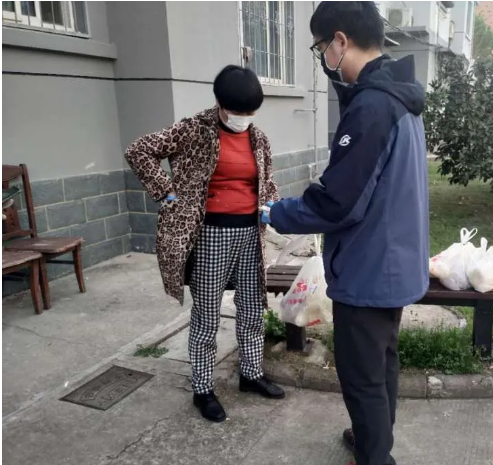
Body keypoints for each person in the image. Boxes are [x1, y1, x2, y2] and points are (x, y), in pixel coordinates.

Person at [263, 2, 429, 464]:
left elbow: (339, 202)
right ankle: (373, 440)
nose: (322, 57)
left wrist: (277, 212)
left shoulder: (372, 107)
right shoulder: (400, 97)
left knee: (362, 378)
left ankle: (376, 456)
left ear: (340, 40)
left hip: (369, 268)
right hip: (393, 262)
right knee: (381, 365)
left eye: (320, 47)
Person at [125, 65, 285, 423]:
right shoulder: (193, 130)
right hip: (211, 234)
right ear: (220, 103)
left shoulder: (258, 139)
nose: (244, 117)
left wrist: (273, 206)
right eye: (238, 110)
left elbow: (268, 182)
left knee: (251, 309)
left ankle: (251, 373)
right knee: (207, 314)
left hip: (251, 233)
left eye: (250, 111)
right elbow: (139, 150)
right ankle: (202, 388)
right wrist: (166, 193)